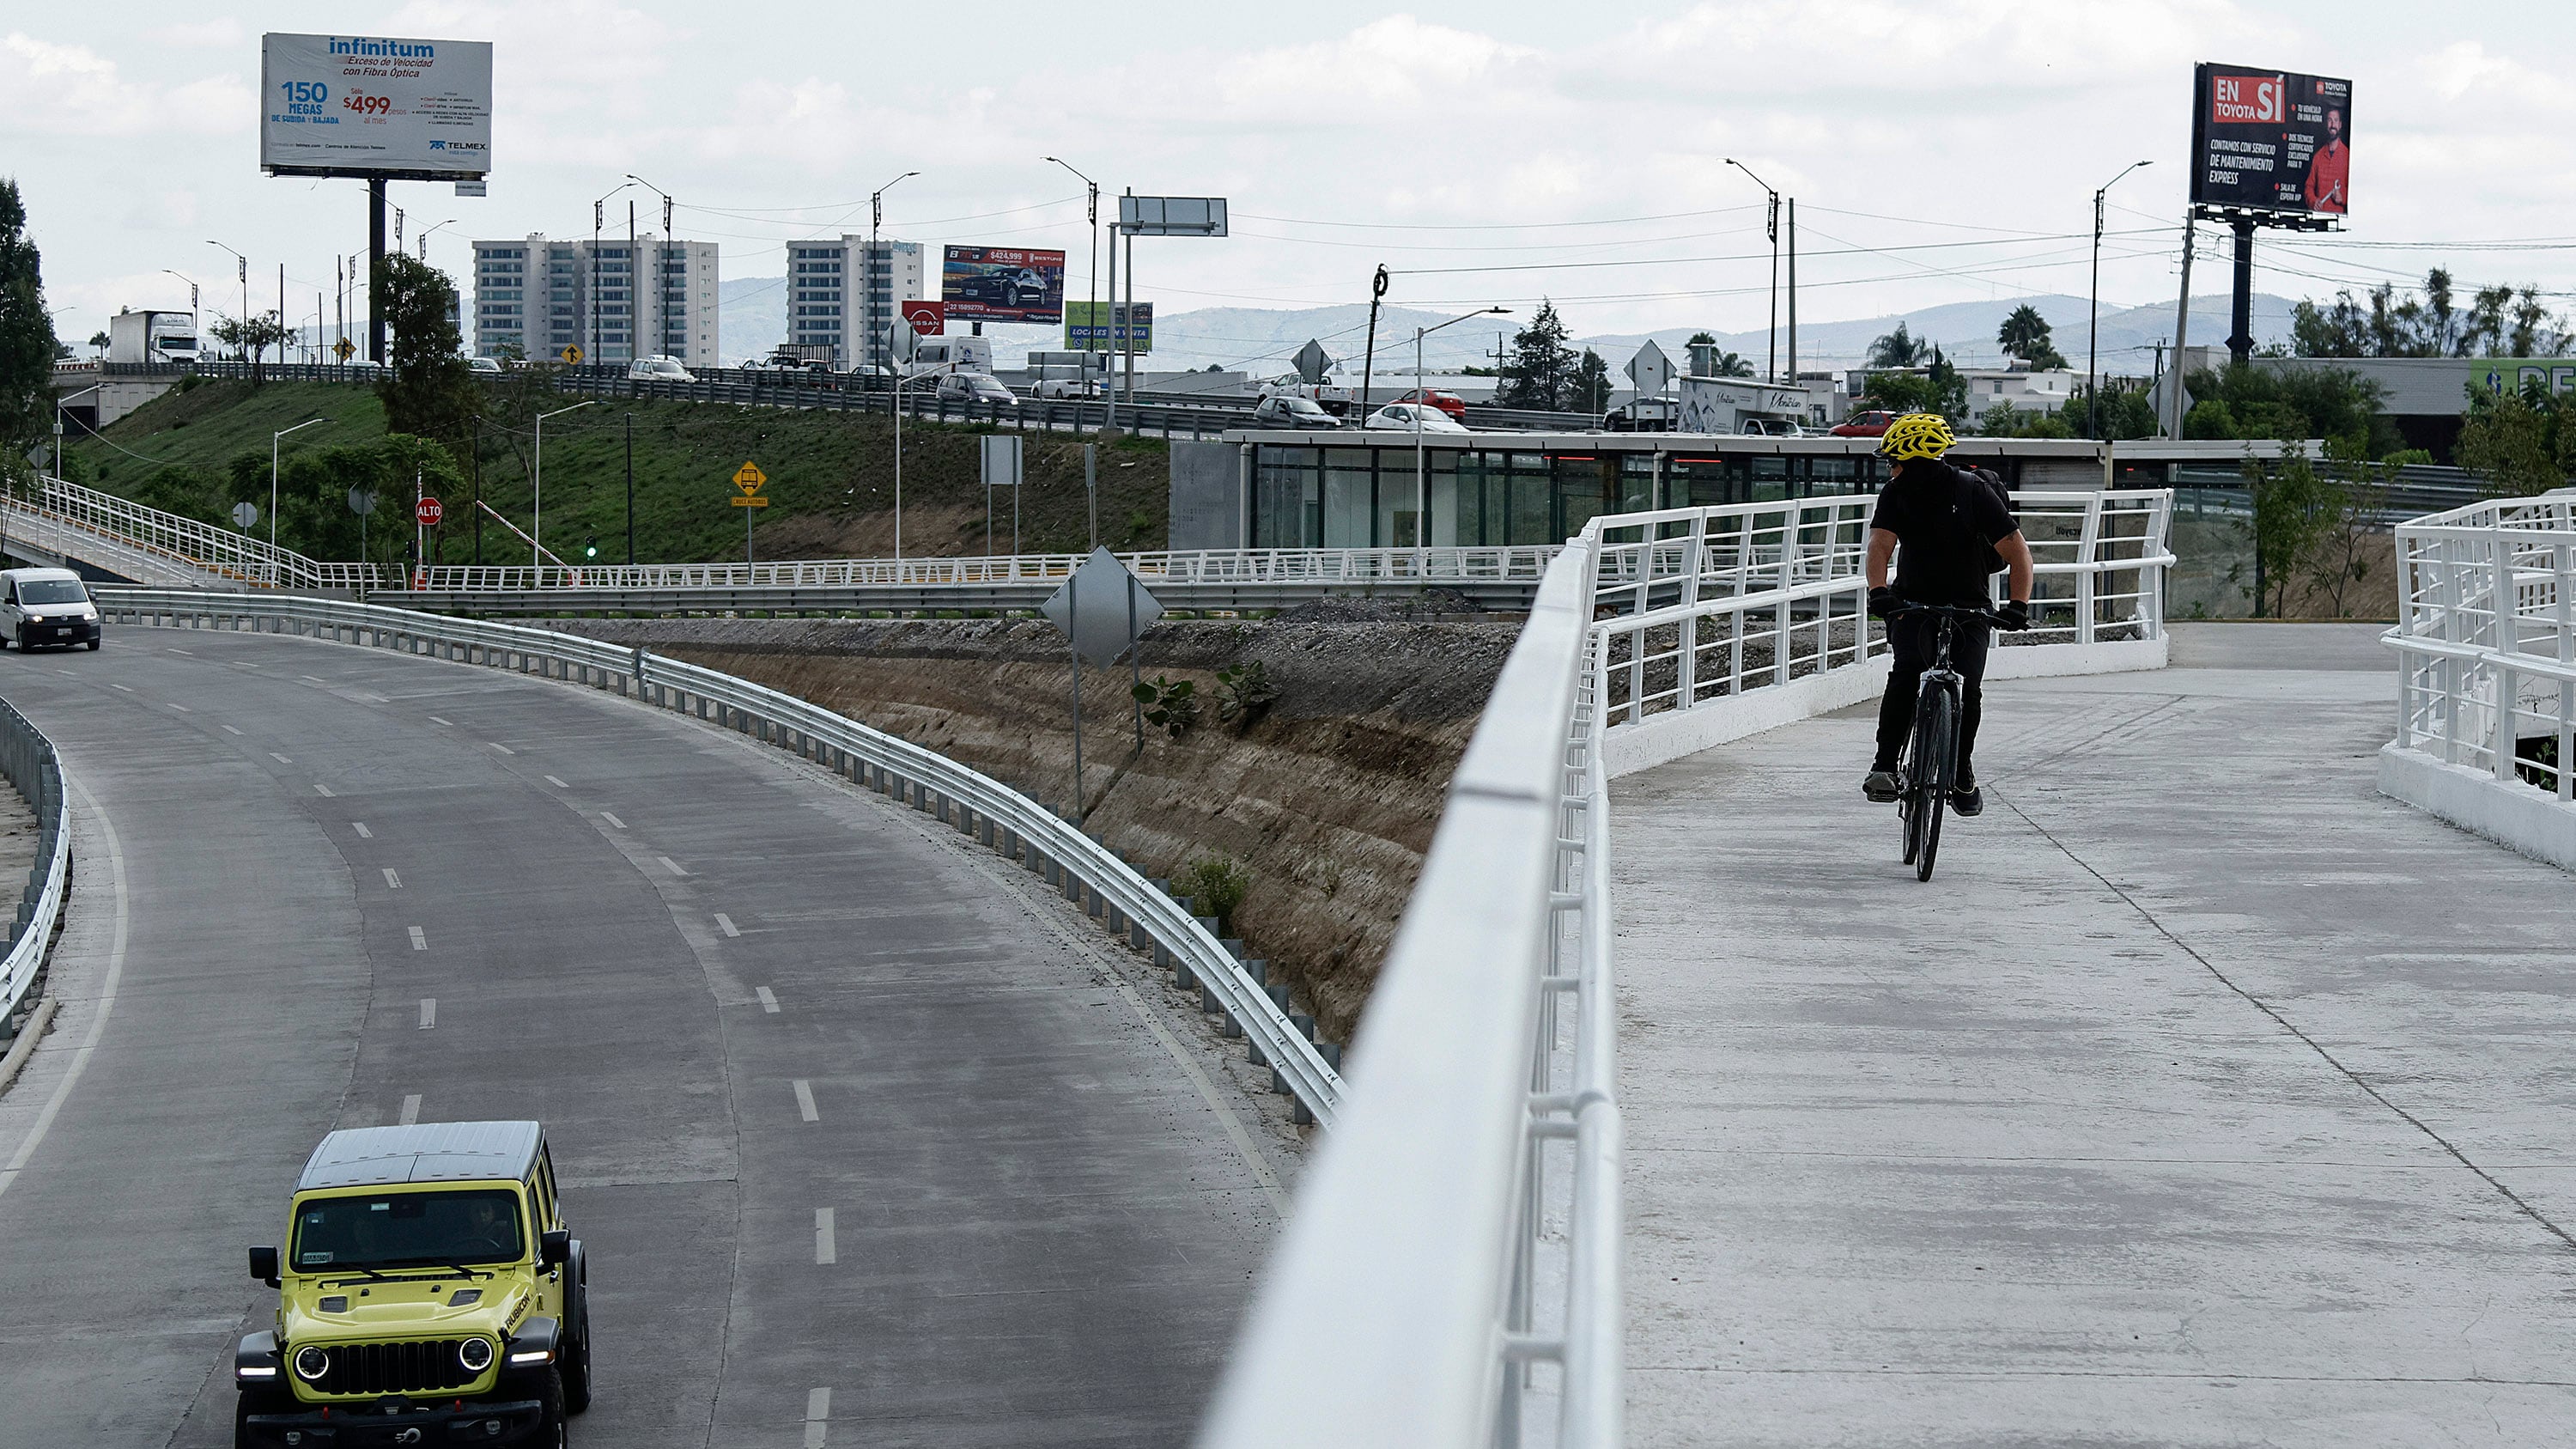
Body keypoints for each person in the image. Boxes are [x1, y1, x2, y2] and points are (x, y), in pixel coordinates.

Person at [1859, 413, 2034, 818]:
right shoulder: (1895, 494)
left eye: (1894, 461)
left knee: (1968, 688)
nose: (1890, 469)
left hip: (1970, 608)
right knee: (1907, 672)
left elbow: (2017, 551)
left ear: (1914, 460)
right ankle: (1885, 765)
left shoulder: (1972, 491)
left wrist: (2018, 606)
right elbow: (1880, 546)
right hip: (1911, 604)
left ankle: (1960, 769)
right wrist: (1879, 592)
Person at [2303, 107, 2348, 215]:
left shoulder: (2347, 156)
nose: (2333, 124)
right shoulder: (2318, 157)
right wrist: (2313, 201)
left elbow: (2357, 191)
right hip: (2318, 218)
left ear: (2340, 124)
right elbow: (2309, 187)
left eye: (2335, 120)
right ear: (2326, 124)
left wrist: (2342, 197)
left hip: (2338, 219)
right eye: (2329, 120)